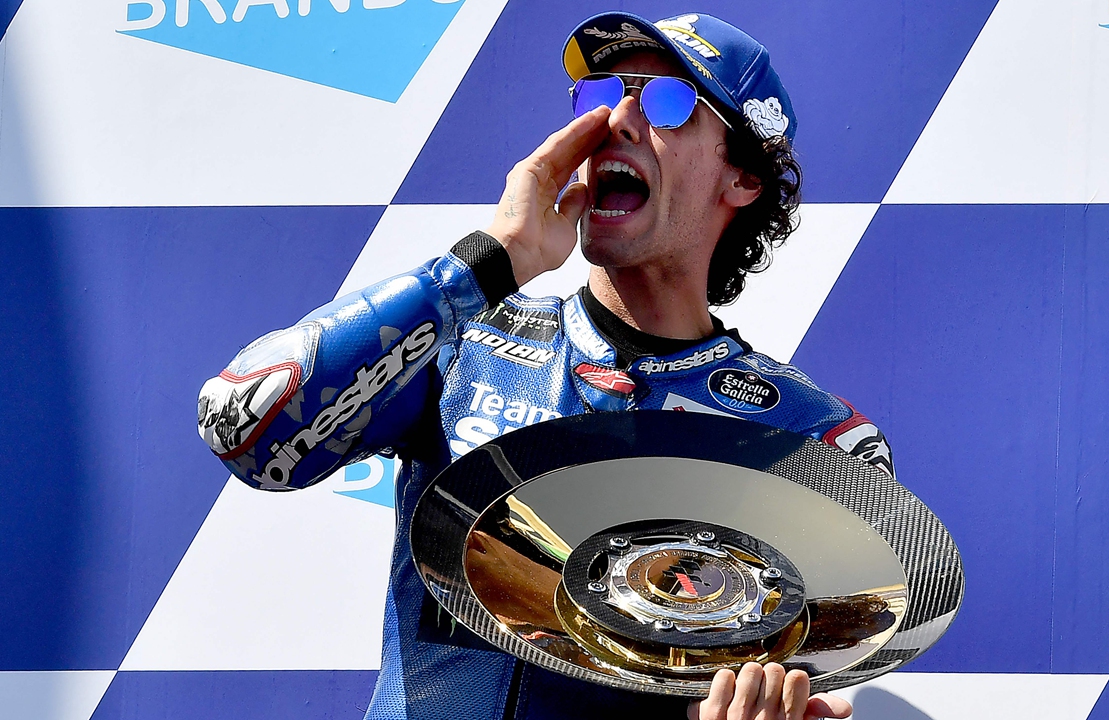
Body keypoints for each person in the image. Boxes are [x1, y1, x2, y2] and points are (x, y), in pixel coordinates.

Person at [197, 11, 892, 720]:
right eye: (602, 96)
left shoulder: (809, 435)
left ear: (744, 175)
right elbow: (242, 427)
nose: (617, 121)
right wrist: (492, 261)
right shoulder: (462, 339)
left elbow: (811, 677)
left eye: (667, 103)